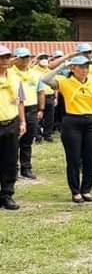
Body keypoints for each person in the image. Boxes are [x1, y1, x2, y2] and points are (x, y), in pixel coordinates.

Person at [41, 54, 92, 204]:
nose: (85, 70)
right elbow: (45, 80)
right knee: (74, 158)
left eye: (86, 67)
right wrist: (62, 66)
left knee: (90, 158)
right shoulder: (65, 82)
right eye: (81, 67)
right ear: (73, 68)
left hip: (90, 121)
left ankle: (86, 190)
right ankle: (75, 191)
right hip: (72, 121)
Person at [0, 46, 26, 211]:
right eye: (1, 58)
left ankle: (7, 194)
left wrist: (23, 122)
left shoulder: (15, 78)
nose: (4, 61)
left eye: (7, 57)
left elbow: (20, 101)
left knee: (10, 161)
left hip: (11, 123)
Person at [12, 48, 41, 180]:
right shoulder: (10, 72)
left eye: (27, 58)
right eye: (22, 58)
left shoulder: (34, 74)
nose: (25, 60)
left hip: (32, 109)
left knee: (28, 141)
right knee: (13, 142)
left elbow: (40, 91)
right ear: (16, 58)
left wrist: (41, 108)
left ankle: (26, 168)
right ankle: (13, 169)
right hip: (14, 109)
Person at [35, 53, 57, 143]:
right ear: (38, 60)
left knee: (50, 118)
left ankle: (47, 135)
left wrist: (56, 97)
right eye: (41, 58)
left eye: (46, 58)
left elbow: (55, 85)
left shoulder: (50, 71)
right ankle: (38, 135)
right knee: (37, 117)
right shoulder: (33, 70)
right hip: (38, 96)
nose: (44, 59)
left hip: (50, 96)